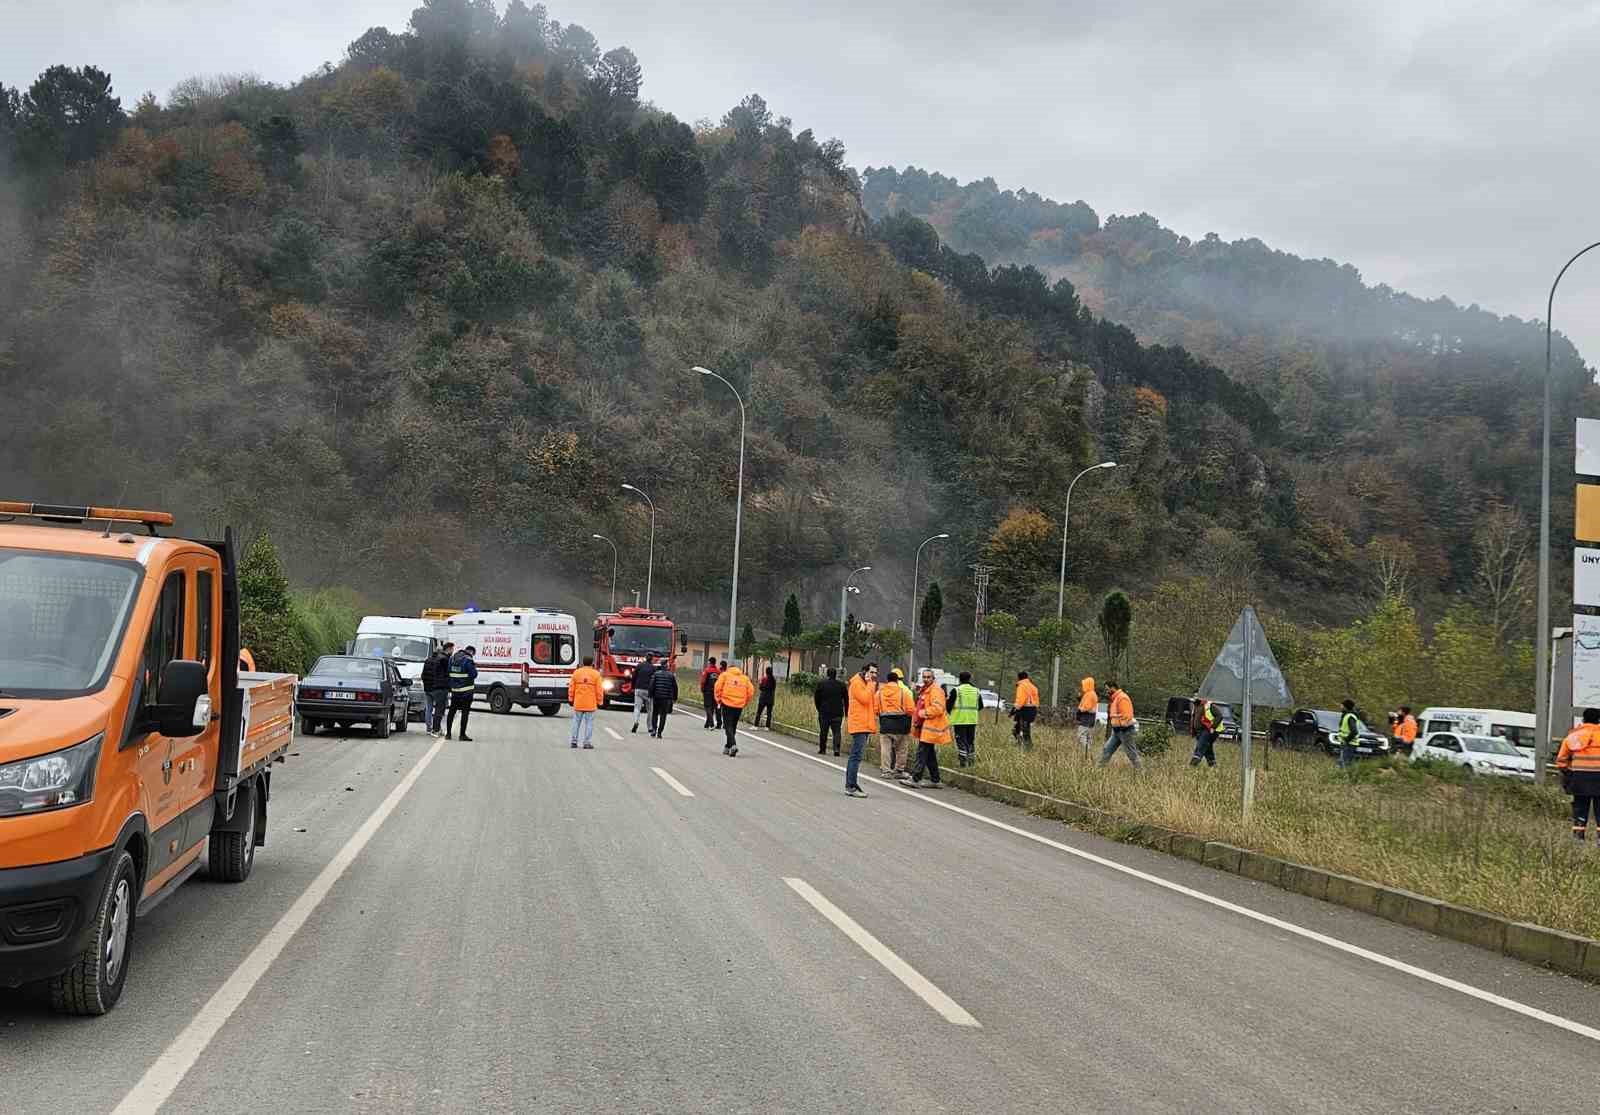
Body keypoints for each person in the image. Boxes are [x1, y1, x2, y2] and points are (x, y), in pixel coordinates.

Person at [1557, 708, 1600, 840]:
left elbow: (1561, 760)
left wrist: (1569, 772)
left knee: (1580, 807)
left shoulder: (1573, 736)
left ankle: (1578, 838)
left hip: (1579, 778)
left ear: (1583, 719)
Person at [843, 662, 879, 797]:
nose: (874, 675)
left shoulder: (865, 684)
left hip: (865, 724)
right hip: (859, 724)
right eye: (872, 672)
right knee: (855, 756)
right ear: (865, 672)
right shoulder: (857, 683)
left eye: (876, 673)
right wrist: (871, 684)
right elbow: (864, 699)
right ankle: (850, 785)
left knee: (857, 756)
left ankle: (852, 784)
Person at [909, 668, 950, 787]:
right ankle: (935, 780)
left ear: (933, 678)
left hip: (932, 727)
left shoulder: (936, 690)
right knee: (929, 754)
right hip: (927, 727)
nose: (926, 679)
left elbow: (938, 708)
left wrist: (923, 713)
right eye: (924, 677)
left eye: (928, 677)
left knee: (922, 753)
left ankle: (915, 779)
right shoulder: (926, 690)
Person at [877, 668, 915, 778]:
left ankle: (886, 771)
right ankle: (899, 770)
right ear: (897, 680)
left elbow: (876, 709)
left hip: (885, 724)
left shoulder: (880, 693)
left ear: (887, 681)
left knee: (886, 748)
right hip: (902, 725)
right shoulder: (905, 692)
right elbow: (911, 709)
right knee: (902, 748)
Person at [714, 662, 754, 756]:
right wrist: (745, 702)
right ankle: (727, 747)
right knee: (733, 726)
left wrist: (719, 699)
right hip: (739, 705)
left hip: (727, 703)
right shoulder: (745, 678)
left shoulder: (724, 675)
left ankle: (733, 745)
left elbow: (717, 687)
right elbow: (751, 691)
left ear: (729, 669)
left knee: (728, 725)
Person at [1098, 680, 1140, 769]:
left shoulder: (1122, 698)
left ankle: (1141, 772)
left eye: (1107, 689)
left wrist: (1116, 720)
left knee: (1131, 753)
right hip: (1117, 731)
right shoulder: (1115, 698)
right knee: (1107, 749)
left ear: (1113, 687)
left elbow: (1127, 715)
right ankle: (1098, 770)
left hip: (1125, 730)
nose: (1106, 692)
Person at [568, 655, 604, 749]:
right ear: (592, 663)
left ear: (583, 662)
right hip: (590, 704)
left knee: (576, 722)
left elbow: (571, 688)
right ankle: (586, 743)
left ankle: (574, 741)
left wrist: (571, 699)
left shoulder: (576, 673)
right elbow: (599, 690)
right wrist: (600, 702)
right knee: (589, 723)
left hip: (578, 703)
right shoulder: (596, 674)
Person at [445, 645, 478, 741]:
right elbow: (474, 674)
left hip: (455, 691)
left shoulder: (452, 659)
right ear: (471, 652)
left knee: (451, 712)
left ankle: (448, 734)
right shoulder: (468, 660)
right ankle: (462, 735)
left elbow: (448, 672)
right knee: (465, 713)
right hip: (466, 691)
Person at [421, 641, 453, 737]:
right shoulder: (441, 660)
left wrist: (426, 685)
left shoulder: (427, 660)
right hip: (437, 688)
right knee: (439, 709)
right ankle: (436, 729)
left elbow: (423, 675)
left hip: (427, 688)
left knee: (429, 708)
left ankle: (428, 728)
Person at [950, 671, 981, 768]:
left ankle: (962, 763)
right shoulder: (976, 691)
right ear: (970, 678)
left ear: (960, 678)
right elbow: (980, 706)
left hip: (960, 720)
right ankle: (971, 762)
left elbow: (949, 705)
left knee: (961, 741)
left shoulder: (956, 690)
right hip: (972, 720)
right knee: (970, 741)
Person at [814, 666, 846, 755]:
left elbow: (816, 698)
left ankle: (822, 749)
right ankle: (836, 749)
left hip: (824, 712)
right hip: (837, 712)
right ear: (836, 675)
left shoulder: (822, 684)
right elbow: (846, 699)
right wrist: (846, 711)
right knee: (837, 731)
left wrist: (819, 708)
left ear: (827, 674)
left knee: (824, 731)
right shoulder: (841, 685)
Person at [648, 660, 679, 738]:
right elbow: (675, 687)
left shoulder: (656, 674)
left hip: (656, 697)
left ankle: (654, 729)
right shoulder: (671, 675)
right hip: (666, 699)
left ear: (661, 666)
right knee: (663, 715)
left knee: (655, 714)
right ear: (667, 666)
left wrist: (650, 695)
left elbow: (652, 685)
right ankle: (660, 732)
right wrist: (675, 698)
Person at [1189, 695, 1221, 768]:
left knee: (1200, 748)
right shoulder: (1195, 706)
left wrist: (1213, 727)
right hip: (1199, 732)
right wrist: (1193, 731)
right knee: (1208, 750)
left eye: (1196, 695)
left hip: (1207, 731)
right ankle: (1213, 766)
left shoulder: (1208, 705)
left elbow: (1219, 716)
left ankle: (1192, 766)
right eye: (1193, 696)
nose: (1194, 697)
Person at [1011, 671, 1040, 749]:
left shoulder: (1021, 686)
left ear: (1019, 677)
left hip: (1025, 709)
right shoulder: (1033, 686)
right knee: (1024, 728)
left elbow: (1020, 699)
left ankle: (1027, 746)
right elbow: (1037, 700)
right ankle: (1024, 744)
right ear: (1027, 677)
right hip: (1033, 709)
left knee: (1021, 729)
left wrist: (1014, 709)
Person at [631, 654, 658, 734]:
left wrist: (633, 687)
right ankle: (649, 727)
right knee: (650, 710)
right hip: (649, 691)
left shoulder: (639, 666)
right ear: (652, 659)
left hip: (639, 689)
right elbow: (654, 681)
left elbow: (634, 677)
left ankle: (636, 721)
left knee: (637, 707)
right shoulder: (654, 668)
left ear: (645, 658)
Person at [1076, 676, 1099, 755]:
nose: (1083, 686)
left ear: (1088, 685)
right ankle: (1088, 755)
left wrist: (1080, 709)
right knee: (1088, 738)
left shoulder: (1089, 694)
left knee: (1081, 736)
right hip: (1090, 720)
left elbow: (1086, 707)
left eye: (1084, 684)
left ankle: (1086, 754)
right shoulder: (1091, 694)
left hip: (1086, 719)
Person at [1337, 699, 1360, 769]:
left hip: (1349, 744)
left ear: (1345, 706)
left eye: (1341, 705)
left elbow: (1354, 731)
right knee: (1342, 763)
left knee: (1344, 765)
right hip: (1347, 744)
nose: (1340, 707)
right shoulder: (1347, 715)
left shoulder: (1350, 716)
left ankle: (1344, 778)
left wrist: (1346, 740)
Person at [700, 659, 721, 730]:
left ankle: (711, 723)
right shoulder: (718, 672)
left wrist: (702, 689)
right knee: (712, 707)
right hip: (715, 692)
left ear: (709, 662)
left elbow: (703, 681)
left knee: (707, 707)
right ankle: (707, 724)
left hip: (707, 691)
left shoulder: (707, 671)